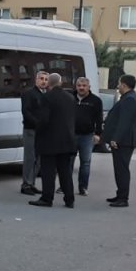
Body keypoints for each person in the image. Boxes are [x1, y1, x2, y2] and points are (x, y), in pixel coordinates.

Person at [30, 73, 77, 208]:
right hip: (67, 140)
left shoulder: (46, 98)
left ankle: (47, 198)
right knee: (65, 171)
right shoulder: (70, 98)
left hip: (49, 140)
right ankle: (69, 199)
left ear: (48, 84)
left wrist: (37, 131)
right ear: (60, 83)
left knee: (48, 171)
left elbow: (43, 120)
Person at [102, 74, 136, 208]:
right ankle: (120, 194)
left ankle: (123, 198)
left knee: (122, 170)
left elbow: (124, 122)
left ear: (124, 85)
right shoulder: (128, 97)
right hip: (123, 140)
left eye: (119, 84)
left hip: (124, 141)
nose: (118, 86)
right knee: (119, 169)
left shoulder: (130, 99)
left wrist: (116, 139)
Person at [19, 70, 50, 195]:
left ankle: (32, 183)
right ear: (36, 80)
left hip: (43, 131)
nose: (43, 81)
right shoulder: (29, 93)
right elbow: (26, 112)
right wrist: (38, 123)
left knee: (39, 158)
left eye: (46, 79)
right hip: (31, 129)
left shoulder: (47, 94)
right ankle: (26, 184)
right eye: (41, 78)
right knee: (30, 157)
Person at [73, 77, 104, 196]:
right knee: (68, 161)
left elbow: (99, 119)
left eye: (84, 85)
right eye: (79, 85)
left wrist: (98, 134)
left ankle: (83, 187)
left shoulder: (95, 101)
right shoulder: (70, 98)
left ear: (89, 87)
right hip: (71, 134)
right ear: (76, 86)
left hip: (87, 136)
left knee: (85, 162)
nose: (81, 87)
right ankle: (64, 185)